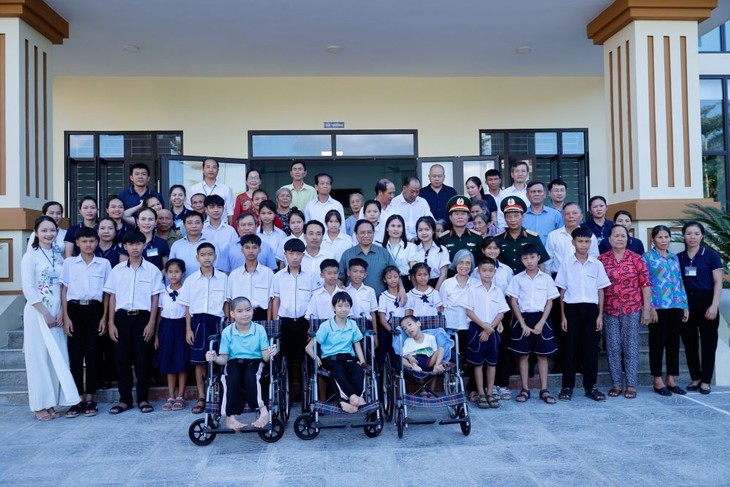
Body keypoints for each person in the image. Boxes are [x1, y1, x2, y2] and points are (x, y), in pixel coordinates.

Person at [22, 216, 80, 421]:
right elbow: (28, 289)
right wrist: (45, 313)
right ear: (36, 232)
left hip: (57, 313)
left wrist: (61, 312)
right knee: (39, 359)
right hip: (39, 314)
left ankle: (52, 401)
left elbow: (63, 285)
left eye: (52, 230)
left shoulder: (58, 255)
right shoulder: (30, 257)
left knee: (57, 358)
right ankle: (39, 405)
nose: (49, 234)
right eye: (44, 231)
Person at [104, 230, 165, 414]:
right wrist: (110, 322)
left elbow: (155, 298)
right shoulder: (117, 270)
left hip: (143, 318)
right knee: (122, 359)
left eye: (138, 244)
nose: (135, 248)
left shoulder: (153, 270)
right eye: (130, 244)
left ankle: (143, 399)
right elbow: (112, 296)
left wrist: (152, 323)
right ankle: (125, 400)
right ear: (125, 246)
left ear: (144, 246)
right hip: (121, 318)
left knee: (142, 359)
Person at [554, 227, 611, 402]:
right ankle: (567, 386)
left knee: (591, 350)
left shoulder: (597, 264)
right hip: (571, 310)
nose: (583, 244)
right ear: (573, 243)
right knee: (570, 349)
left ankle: (591, 386)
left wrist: (600, 315)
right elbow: (562, 292)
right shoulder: (566, 264)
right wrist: (563, 316)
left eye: (587, 241)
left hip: (591, 310)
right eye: (580, 241)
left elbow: (601, 291)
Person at [61, 226, 111, 418]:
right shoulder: (69, 263)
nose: (88, 245)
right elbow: (64, 291)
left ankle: (90, 397)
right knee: (75, 355)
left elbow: (107, 293)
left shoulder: (104, 263)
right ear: (78, 244)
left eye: (91, 241)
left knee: (92, 354)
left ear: (97, 242)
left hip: (95, 310)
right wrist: (66, 317)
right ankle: (76, 399)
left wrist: (104, 317)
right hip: (74, 309)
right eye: (84, 241)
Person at [598, 224, 652, 399]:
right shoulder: (601, 260)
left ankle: (631, 384)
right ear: (609, 239)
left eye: (623, 235)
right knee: (613, 347)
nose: (620, 238)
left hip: (632, 308)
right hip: (609, 308)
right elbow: (598, 286)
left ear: (628, 239)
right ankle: (616, 384)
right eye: (616, 235)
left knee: (631, 346)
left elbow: (645, 285)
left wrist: (646, 309)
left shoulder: (637, 258)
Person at [206, 296, 276, 430]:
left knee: (253, 376)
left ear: (253, 311)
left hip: (255, 361)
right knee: (229, 377)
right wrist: (215, 358)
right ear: (232, 314)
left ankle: (263, 411)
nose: (245, 314)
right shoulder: (227, 332)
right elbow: (224, 359)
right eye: (240, 311)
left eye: (248, 310)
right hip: (233, 362)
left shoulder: (259, 330)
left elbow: (265, 357)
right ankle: (230, 418)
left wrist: (271, 352)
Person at [506, 244, 560, 405]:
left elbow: (550, 301)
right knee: (523, 355)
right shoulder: (517, 279)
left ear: (538, 258)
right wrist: (522, 324)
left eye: (532, 258)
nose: (529, 261)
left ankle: (544, 389)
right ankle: (525, 389)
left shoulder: (546, 278)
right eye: (525, 258)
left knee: (542, 356)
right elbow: (513, 301)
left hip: (541, 318)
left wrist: (541, 323)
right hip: (522, 318)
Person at [179, 242, 228, 414]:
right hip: (198, 322)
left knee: (219, 359)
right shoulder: (191, 280)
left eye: (210, 254)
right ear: (197, 257)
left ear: (215, 256)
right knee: (199, 361)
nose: (207, 258)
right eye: (203, 255)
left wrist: (226, 326)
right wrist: (188, 329)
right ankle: (202, 397)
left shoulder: (224, 278)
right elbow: (187, 306)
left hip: (217, 322)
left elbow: (227, 303)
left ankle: (218, 395)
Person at [677, 221, 723, 394]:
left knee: (708, 342)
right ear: (683, 236)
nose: (692, 237)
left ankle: (705, 380)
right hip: (686, 304)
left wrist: (714, 305)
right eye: (689, 233)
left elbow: (718, 281)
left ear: (702, 236)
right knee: (689, 343)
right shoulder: (678, 257)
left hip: (707, 302)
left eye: (696, 233)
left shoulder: (711, 255)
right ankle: (695, 378)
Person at [643, 225, 689, 397]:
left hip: (675, 305)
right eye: (659, 237)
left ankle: (671, 379)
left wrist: (684, 305)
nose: (663, 240)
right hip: (658, 307)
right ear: (653, 239)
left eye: (666, 237)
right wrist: (649, 306)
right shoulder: (647, 258)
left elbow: (679, 282)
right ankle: (657, 379)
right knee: (657, 343)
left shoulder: (673, 258)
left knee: (673, 344)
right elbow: (645, 284)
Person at [305, 292, 367, 414]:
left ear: (350, 308)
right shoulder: (326, 326)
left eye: (347, 306)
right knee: (339, 372)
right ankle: (353, 399)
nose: (344, 309)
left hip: (349, 358)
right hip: (330, 358)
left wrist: (363, 361)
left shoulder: (352, 324)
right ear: (334, 307)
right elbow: (308, 347)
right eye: (340, 306)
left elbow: (357, 344)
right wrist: (315, 357)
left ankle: (350, 403)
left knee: (358, 371)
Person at [272, 238, 315, 399]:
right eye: (291, 254)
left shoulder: (310, 276)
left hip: (304, 323)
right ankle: (288, 394)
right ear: (285, 255)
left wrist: (311, 324)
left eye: (298, 254)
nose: (294, 257)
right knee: (286, 359)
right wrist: (276, 321)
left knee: (305, 358)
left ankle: (306, 394)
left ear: (303, 255)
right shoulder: (278, 277)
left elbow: (313, 300)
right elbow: (276, 299)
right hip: (286, 322)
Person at [471, 238, 514, 400]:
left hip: (502, 313)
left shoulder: (506, 270)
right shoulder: (476, 271)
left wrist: (503, 319)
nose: (492, 251)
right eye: (489, 248)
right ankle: (481, 388)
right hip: (482, 316)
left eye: (495, 248)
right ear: (483, 250)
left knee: (501, 350)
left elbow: (509, 296)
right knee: (482, 350)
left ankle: (500, 385)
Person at [465, 257, 510, 409]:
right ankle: (480, 393)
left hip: (493, 329)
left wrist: (490, 328)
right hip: (477, 329)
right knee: (478, 363)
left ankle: (490, 392)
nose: (487, 274)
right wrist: (484, 327)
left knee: (492, 363)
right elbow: (469, 311)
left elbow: (501, 313)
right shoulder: (472, 290)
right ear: (478, 272)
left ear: (495, 272)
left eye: (490, 271)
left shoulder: (497, 291)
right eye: (484, 271)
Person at [156, 259, 189, 412]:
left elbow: (189, 312)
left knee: (181, 361)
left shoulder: (187, 291)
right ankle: (171, 395)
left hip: (181, 325)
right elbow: (159, 315)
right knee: (169, 361)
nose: (173, 275)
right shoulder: (163, 292)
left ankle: (181, 395)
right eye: (170, 272)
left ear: (182, 273)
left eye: (177, 271)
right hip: (167, 327)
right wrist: (156, 335)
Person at [339, 219, 401, 296]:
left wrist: (401, 290)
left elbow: (396, 274)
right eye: (362, 233)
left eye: (369, 232)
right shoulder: (347, 254)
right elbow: (339, 278)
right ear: (355, 234)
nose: (366, 235)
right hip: (353, 302)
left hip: (381, 302)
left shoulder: (383, 253)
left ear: (373, 233)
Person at [494, 196, 550, 274]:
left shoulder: (533, 237)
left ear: (523, 216)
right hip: (504, 282)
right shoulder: (498, 238)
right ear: (504, 218)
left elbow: (541, 263)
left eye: (516, 216)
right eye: (509, 217)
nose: (513, 220)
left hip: (527, 282)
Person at [226, 234, 274, 322]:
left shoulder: (268, 273)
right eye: (247, 247)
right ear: (242, 250)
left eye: (254, 247)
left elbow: (270, 301)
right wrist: (231, 323)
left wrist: (269, 321)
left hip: (261, 314)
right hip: (240, 315)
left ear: (260, 250)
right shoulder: (234, 275)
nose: (251, 251)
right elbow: (230, 301)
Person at [545, 202, 599, 275]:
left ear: (581, 216)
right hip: (559, 277)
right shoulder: (553, 236)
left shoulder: (590, 235)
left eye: (574, 213)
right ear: (563, 217)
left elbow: (594, 258)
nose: (571, 216)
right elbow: (548, 262)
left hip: (583, 276)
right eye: (567, 214)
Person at [186, 158, 234, 223]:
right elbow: (189, 208)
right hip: (199, 227)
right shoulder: (194, 188)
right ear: (203, 169)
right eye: (208, 167)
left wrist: (230, 228)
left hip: (220, 227)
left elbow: (230, 211)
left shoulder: (226, 189)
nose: (211, 170)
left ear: (218, 170)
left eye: (214, 167)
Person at [439, 195, 483, 262]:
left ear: (468, 216)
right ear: (450, 217)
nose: (460, 217)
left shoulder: (477, 237)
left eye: (463, 214)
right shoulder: (443, 239)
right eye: (456, 214)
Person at [411, 216, 450, 290]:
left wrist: (435, 293)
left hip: (437, 285)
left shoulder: (442, 250)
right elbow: (412, 274)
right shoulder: (413, 249)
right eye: (420, 230)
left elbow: (443, 274)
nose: (424, 233)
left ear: (433, 231)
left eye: (427, 229)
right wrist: (418, 292)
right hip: (417, 287)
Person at [390, 176, 433, 241]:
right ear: (404, 188)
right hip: (401, 240)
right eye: (412, 192)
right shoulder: (394, 202)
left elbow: (430, 220)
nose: (415, 194)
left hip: (421, 240)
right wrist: (410, 238)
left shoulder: (423, 202)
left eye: (417, 192)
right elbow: (394, 224)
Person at [169, 211, 209, 278]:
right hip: (181, 286)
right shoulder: (176, 245)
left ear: (203, 224)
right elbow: (170, 268)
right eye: (190, 223)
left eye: (197, 223)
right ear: (184, 225)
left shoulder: (211, 244)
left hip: (204, 285)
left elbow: (217, 267)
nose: (194, 226)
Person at [381, 214, 416, 290]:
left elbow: (414, 269)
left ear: (403, 229)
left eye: (399, 226)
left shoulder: (410, 247)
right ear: (387, 228)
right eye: (393, 226)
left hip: (406, 282)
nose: (396, 229)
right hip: (385, 283)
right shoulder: (381, 248)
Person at [377, 265, 403, 364]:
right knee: (385, 342)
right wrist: (391, 330)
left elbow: (409, 314)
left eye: (395, 277)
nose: (393, 280)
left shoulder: (406, 296)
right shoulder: (383, 296)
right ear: (384, 280)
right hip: (389, 328)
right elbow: (382, 319)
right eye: (389, 277)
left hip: (404, 327)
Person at [344, 258, 379, 333]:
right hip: (349, 325)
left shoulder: (370, 291)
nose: (358, 274)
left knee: (367, 344)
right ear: (348, 272)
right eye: (355, 271)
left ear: (365, 274)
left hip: (367, 324)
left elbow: (372, 313)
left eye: (361, 272)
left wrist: (375, 333)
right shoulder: (344, 292)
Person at [523, 181, 563, 245]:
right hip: (527, 254)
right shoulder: (521, 216)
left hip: (549, 254)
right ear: (527, 195)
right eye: (533, 192)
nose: (536, 194)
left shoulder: (555, 215)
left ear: (545, 194)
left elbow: (561, 237)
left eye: (539, 191)